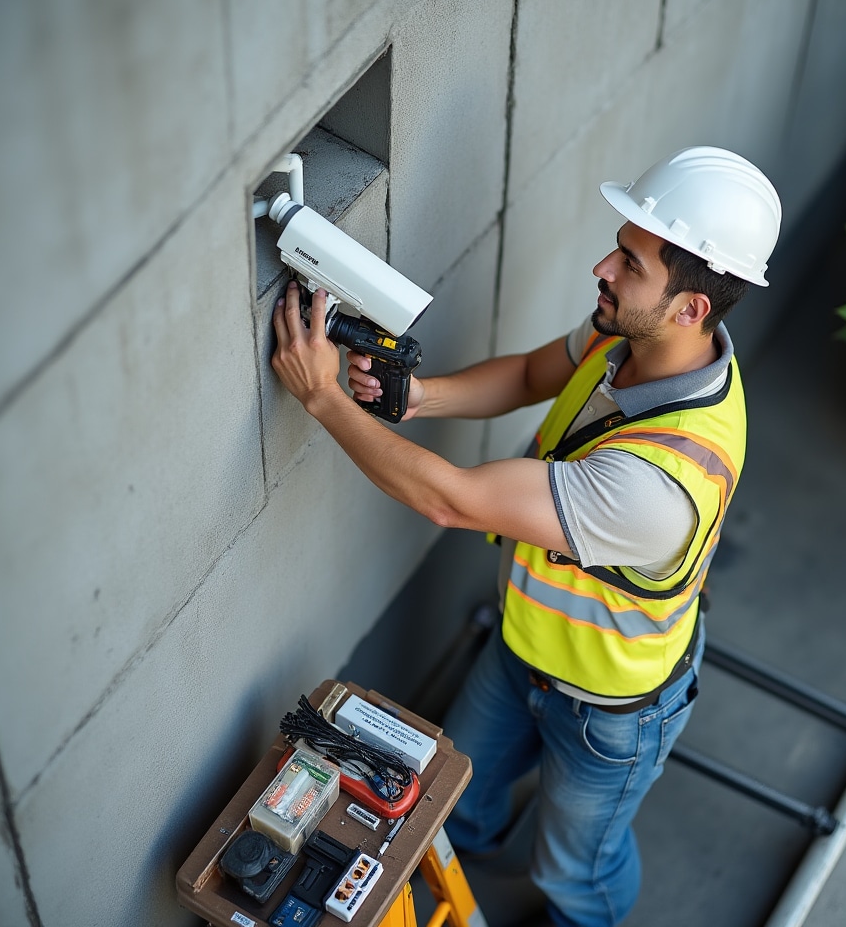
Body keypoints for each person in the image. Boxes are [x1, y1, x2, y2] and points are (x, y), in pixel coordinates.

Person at [271, 146, 782, 927]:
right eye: (618, 247)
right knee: (458, 800)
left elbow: (451, 501)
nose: (602, 268)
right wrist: (418, 397)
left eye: (630, 263)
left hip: (609, 711)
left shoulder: (657, 486)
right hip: (524, 647)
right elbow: (530, 376)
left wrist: (323, 399)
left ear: (691, 308)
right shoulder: (635, 337)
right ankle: (466, 861)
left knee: (575, 870)